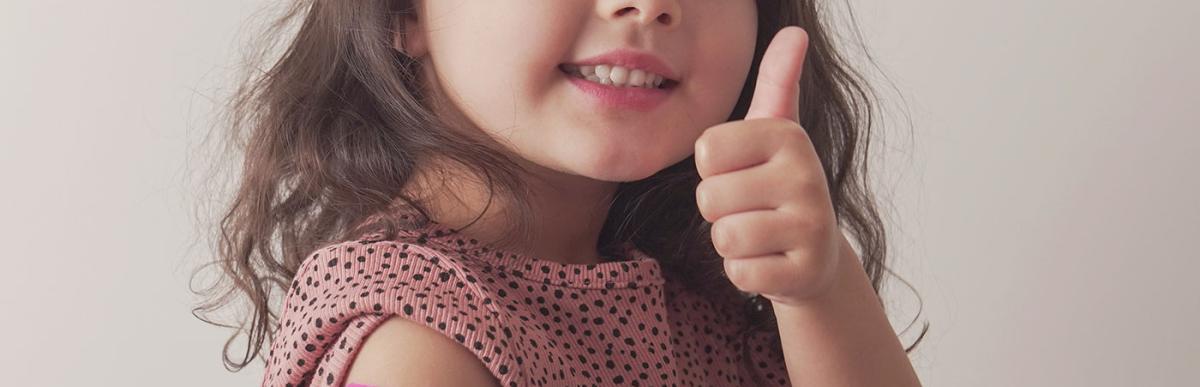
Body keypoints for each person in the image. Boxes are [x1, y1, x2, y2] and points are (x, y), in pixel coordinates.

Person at [197, 0, 926, 385]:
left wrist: (820, 290)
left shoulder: (684, 287)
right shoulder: (413, 342)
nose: (648, 5)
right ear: (404, 10)